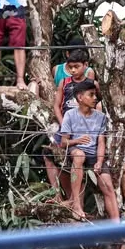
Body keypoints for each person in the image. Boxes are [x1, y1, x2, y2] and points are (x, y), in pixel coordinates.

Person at [58, 79, 118, 221]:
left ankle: (118, 226)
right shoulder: (70, 115)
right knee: (79, 155)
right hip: (76, 150)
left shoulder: (101, 117)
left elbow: (101, 141)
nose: (95, 98)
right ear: (80, 97)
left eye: (95, 95)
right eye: (91, 95)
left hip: (94, 154)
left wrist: (99, 161)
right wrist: (77, 141)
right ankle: (77, 205)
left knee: (108, 187)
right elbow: (63, 142)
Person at [44, 48, 96, 199]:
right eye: (70, 67)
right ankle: (57, 195)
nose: (73, 70)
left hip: (84, 129)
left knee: (80, 160)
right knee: (49, 153)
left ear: (85, 65)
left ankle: (75, 200)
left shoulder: (91, 84)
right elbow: (56, 105)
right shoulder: (64, 82)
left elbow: (96, 105)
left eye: (76, 67)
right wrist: (64, 124)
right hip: (66, 128)